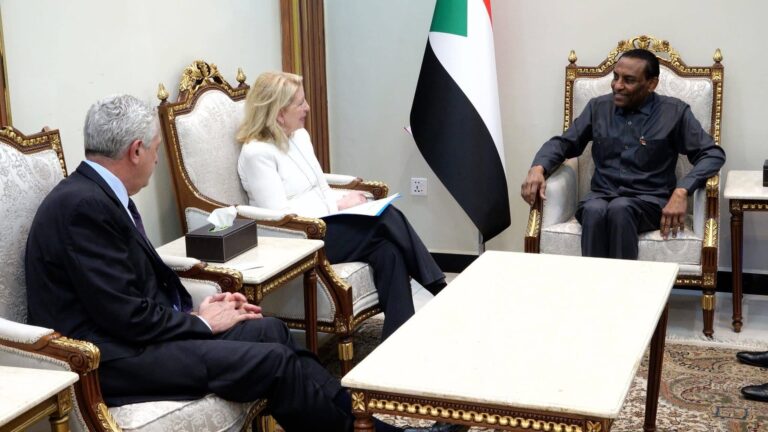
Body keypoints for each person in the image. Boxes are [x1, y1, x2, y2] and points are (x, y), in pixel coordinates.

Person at [24, 94, 462, 432]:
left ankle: (368, 426)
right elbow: (123, 315)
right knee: (273, 363)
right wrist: (199, 322)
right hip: (113, 361)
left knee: (271, 330)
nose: (157, 160)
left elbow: (128, 297)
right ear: (136, 150)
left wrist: (197, 311)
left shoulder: (97, 195)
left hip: (138, 339)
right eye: (155, 150)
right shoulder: (82, 208)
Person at [237, 72, 447, 339]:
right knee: (385, 218)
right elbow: (280, 217)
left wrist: (342, 205)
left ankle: (400, 338)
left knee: (388, 251)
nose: (307, 108)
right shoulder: (257, 153)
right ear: (279, 114)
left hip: (326, 225)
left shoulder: (299, 136)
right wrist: (338, 208)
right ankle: (440, 289)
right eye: (300, 103)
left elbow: (320, 186)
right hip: (299, 240)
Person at [521, 48, 726, 259]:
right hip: (602, 195)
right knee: (593, 210)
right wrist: (538, 168)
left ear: (651, 84)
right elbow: (564, 143)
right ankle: (592, 279)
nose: (618, 85)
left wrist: (682, 190)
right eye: (616, 77)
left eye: (629, 80)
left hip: (650, 201)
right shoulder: (598, 108)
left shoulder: (674, 112)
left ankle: (624, 281)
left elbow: (712, 154)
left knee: (620, 208)